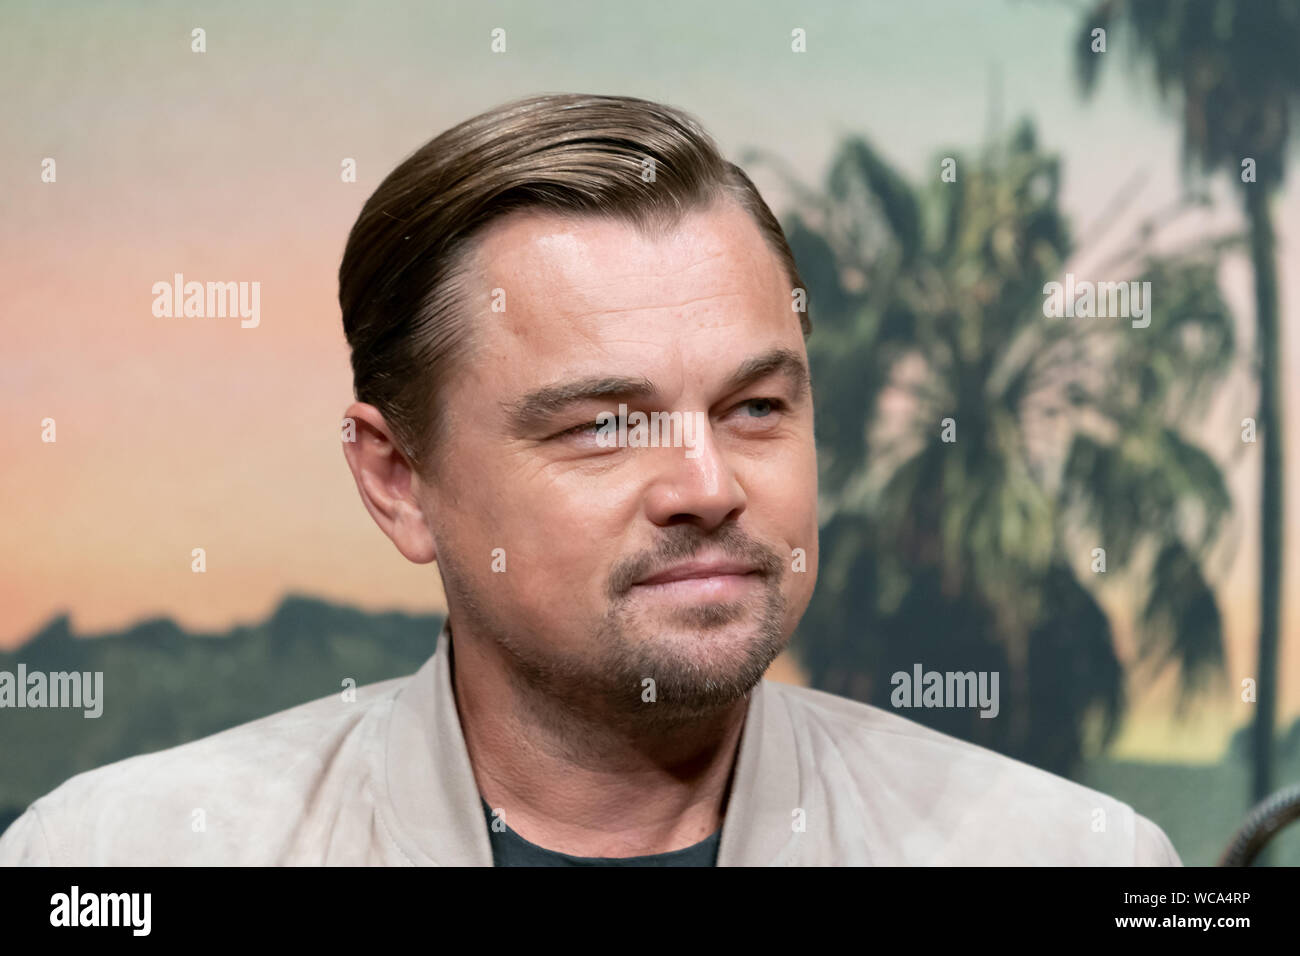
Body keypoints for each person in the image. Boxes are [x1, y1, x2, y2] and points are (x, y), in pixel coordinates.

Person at [0, 93, 1180, 866]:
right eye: (606, 425)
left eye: (755, 406)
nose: (707, 483)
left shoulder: (1075, 857)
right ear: (398, 479)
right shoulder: (116, 859)